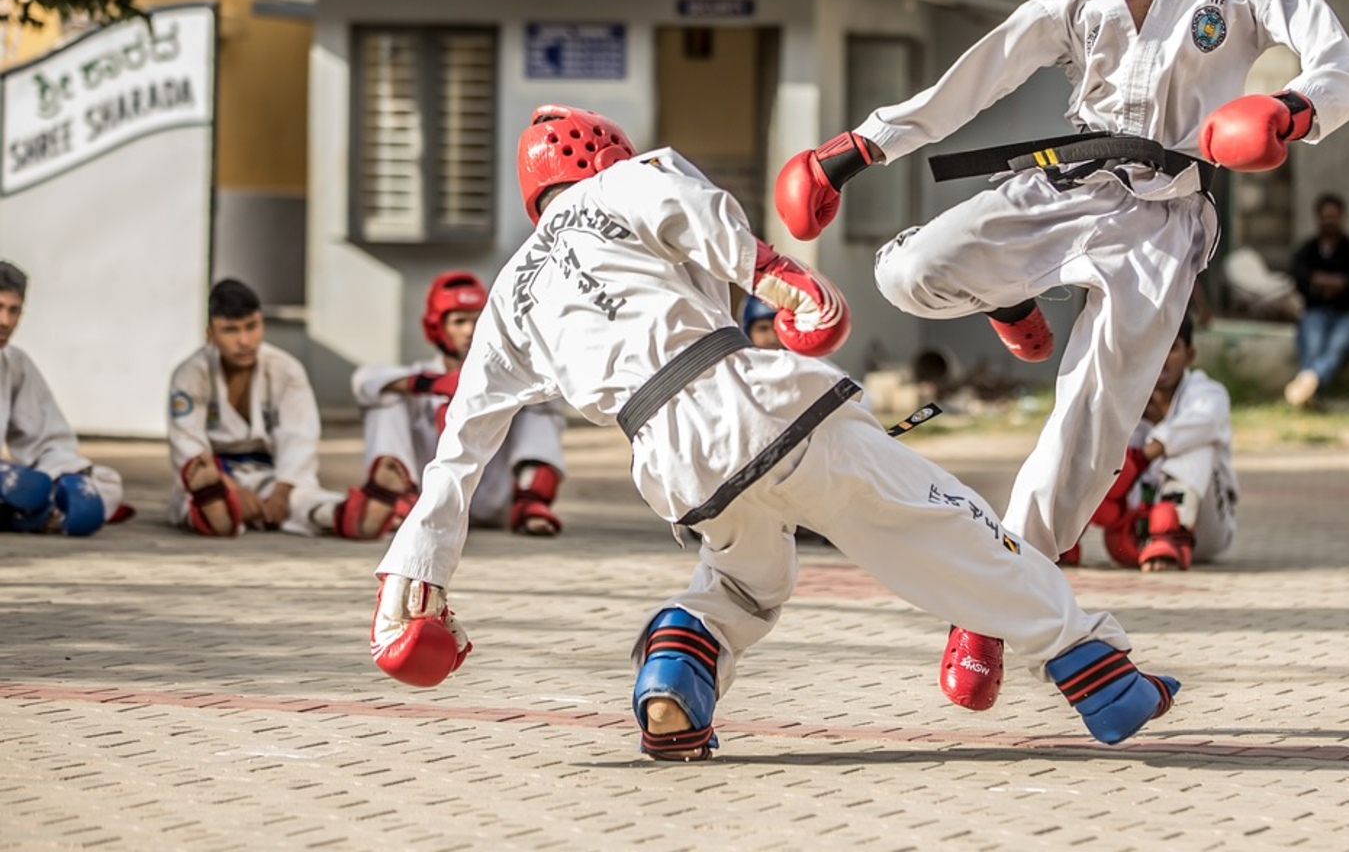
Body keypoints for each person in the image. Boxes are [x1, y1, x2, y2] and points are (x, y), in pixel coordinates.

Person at [369, 105, 1180, 760]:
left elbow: (459, 449)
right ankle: (1098, 672)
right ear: (603, 158)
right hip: (745, 396)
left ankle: (675, 682)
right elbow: (685, 207)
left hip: (669, 461)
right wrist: (774, 272)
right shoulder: (629, 181)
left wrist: (417, 578)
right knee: (939, 519)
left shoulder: (509, 293)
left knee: (747, 580)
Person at [772, 0, 1349, 708]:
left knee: (1088, 429)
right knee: (909, 272)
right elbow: (968, 83)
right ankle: (1008, 294)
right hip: (1069, 187)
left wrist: (1288, 110)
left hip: (1163, 222)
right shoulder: (1071, 6)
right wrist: (854, 148)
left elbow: (1341, 64)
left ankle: (991, 598)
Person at [341, 271, 568, 540]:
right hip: (424, 498)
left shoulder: (509, 376)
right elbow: (363, 381)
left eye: (477, 320)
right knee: (386, 399)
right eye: (459, 321)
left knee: (541, 399)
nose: (470, 331)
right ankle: (395, 495)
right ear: (438, 327)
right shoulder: (418, 375)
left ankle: (533, 498)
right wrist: (429, 384)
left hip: (493, 502)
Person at [166, 279, 345, 536]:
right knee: (192, 501)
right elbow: (187, 443)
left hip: (272, 476)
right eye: (230, 330)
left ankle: (342, 515)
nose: (244, 340)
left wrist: (281, 494)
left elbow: (300, 438)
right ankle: (218, 507)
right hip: (217, 477)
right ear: (210, 334)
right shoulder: (190, 374)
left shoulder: (287, 369)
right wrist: (232, 489)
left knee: (305, 501)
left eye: (252, 326)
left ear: (262, 323)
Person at [1087, 313, 1238, 572]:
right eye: (1151, 349)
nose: (1160, 359)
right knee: (1092, 443)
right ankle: (1062, 538)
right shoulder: (1121, 401)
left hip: (1204, 532)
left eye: (1171, 349)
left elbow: (1207, 422)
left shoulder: (1208, 393)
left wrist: (1142, 456)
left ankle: (1170, 535)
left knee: (1198, 443)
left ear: (1190, 354)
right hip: (1133, 530)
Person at [0, 261, 130, 536]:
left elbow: (48, 440)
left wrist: (67, 477)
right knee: (16, 484)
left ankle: (32, 511)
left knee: (100, 486)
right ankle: (23, 514)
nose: (6, 322)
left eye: (14, 311)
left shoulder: (15, 364)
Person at [1285, 192, 1349, 408]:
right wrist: (1335, 282)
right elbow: (1301, 279)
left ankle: (1307, 385)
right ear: (1318, 217)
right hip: (1316, 311)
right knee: (1312, 344)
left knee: (1337, 345)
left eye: (1334, 216)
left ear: (1342, 217)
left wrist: (1324, 281)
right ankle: (1310, 393)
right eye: (1326, 216)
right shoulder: (1307, 250)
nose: (1330, 221)